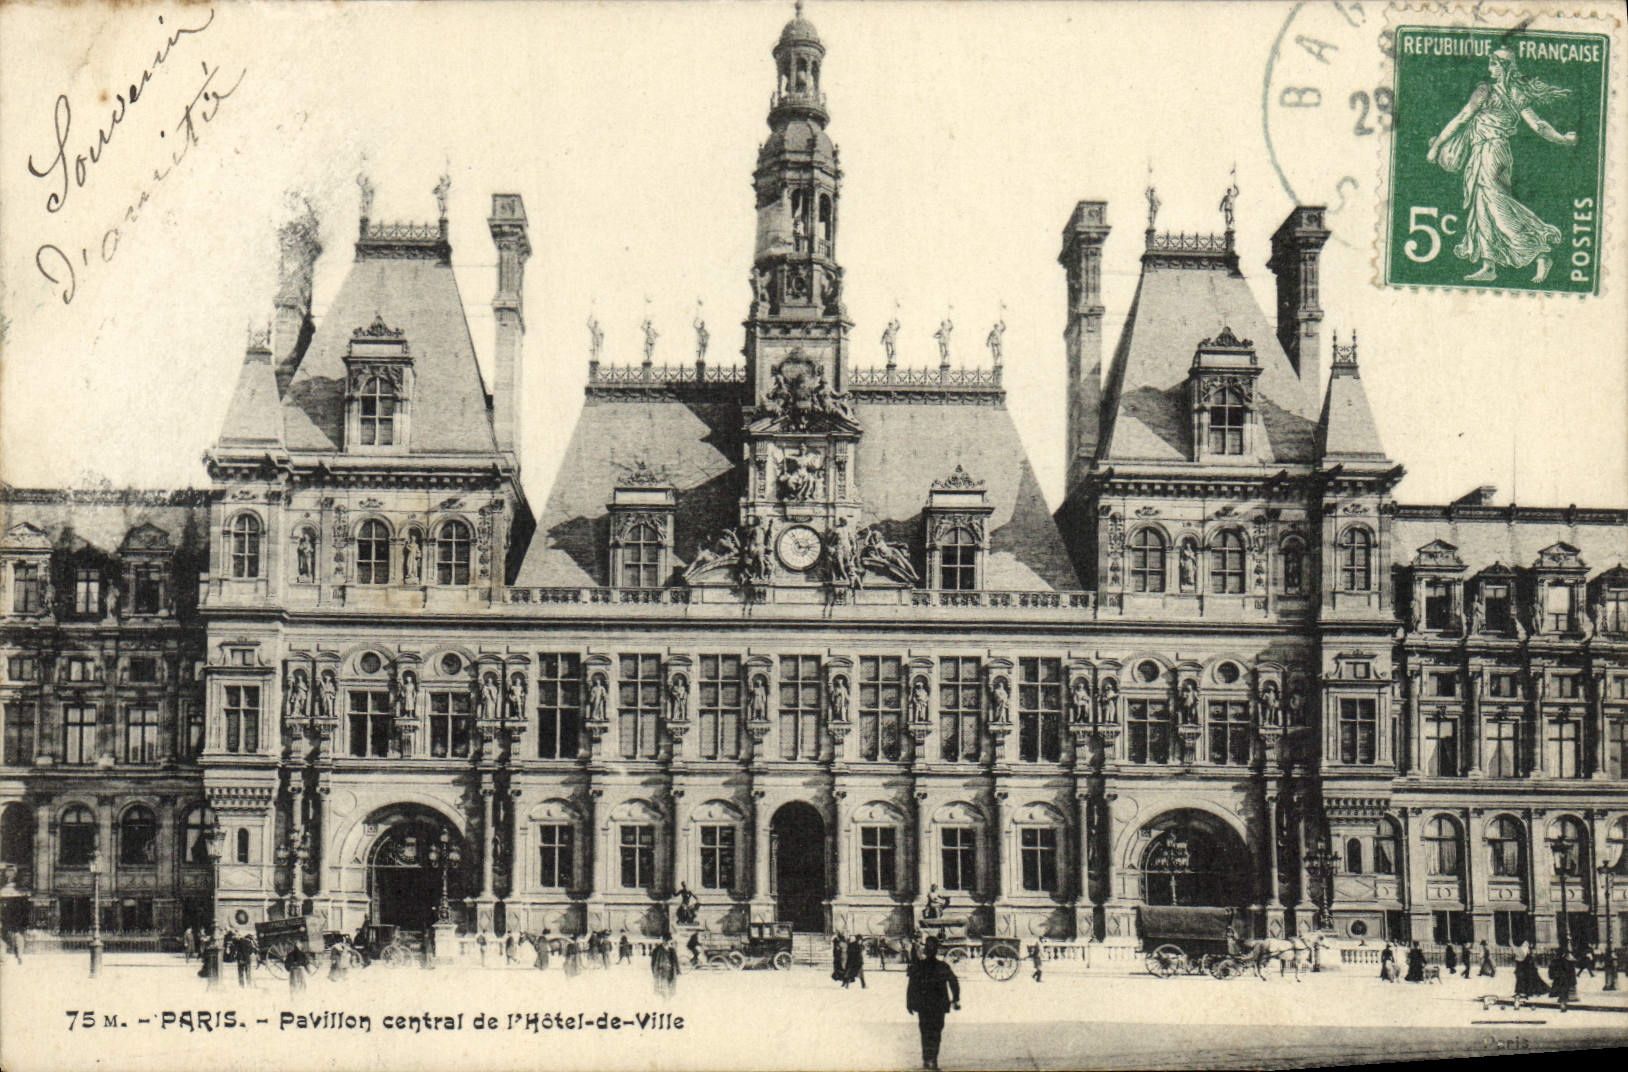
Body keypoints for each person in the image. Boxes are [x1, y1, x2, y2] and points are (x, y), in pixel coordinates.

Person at [1425, 48, 1577, 283]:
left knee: (1496, 207)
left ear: (1503, 67)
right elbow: (1539, 126)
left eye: (1493, 65)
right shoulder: (1517, 93)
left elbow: (1461, 118)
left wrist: (1436, 147)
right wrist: (1563, 139)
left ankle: (1540, 253)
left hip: (1488, 152)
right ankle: (1489, 265)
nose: (1489, 69)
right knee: (1483, 207)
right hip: (1498, 153)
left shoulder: (1485, 91)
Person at [906, 937, 961, 1072]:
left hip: (923, 1006)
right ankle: (933, 1060)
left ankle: (927, 1060)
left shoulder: (918, 966)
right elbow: (954, 982)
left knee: (925, 1032)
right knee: (936, 1033)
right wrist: (956, 999)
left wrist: (909, 1003)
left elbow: (911, 986)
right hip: (938, 1006)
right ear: (936, 951)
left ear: (925, 951)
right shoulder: (943, 966)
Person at [1512, 939, 1543, 1005]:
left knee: (1527, 981)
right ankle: (1521, 992)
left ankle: (1526, 992)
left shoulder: (1527, 953)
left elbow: (1525, 960)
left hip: (1528, 970)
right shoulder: (1522, 951)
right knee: (1521, 980)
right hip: (1523, 969)